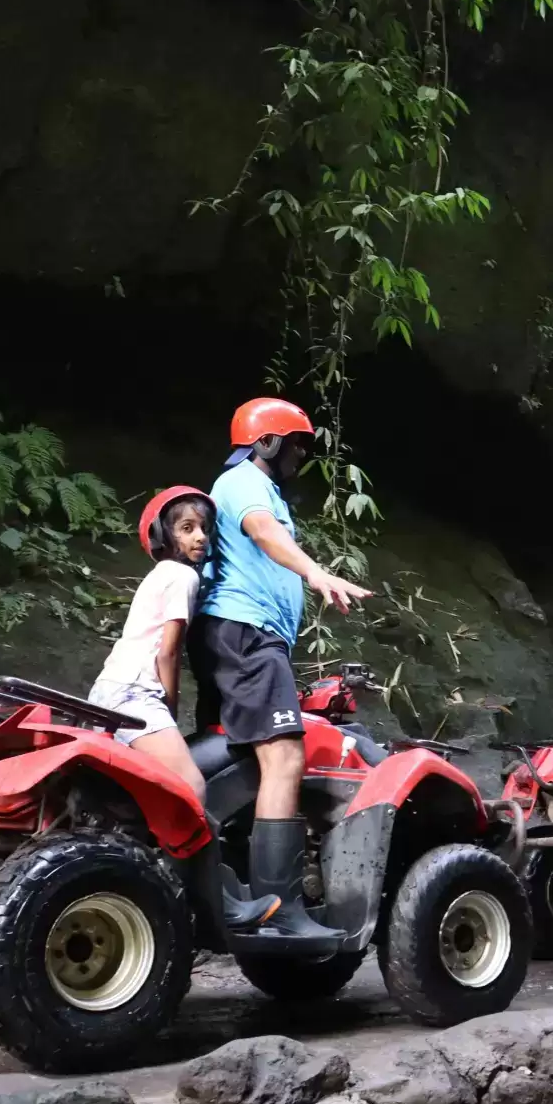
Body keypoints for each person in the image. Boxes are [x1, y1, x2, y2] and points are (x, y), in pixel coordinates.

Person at [189, 397, 372, 941]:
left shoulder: (258, 486)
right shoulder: (243, 481)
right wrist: (317, 573)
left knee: (242, 754)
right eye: (295, 444)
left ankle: (234, 896)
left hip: (242, 636)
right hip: (247, 634)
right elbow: (264, 532)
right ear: (266, 442)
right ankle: (280, 911)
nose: (299, 455)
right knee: (285, 755)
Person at [91, 486, 279, 929]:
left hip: (108, 691)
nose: (200, 539)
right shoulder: (182, 577)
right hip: (137, 694)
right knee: (191, 789)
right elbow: (168, 651)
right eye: (187, 528)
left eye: (205, 530)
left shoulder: (157, 577)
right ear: (164, 535)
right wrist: (169, 705)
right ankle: (216, 904)